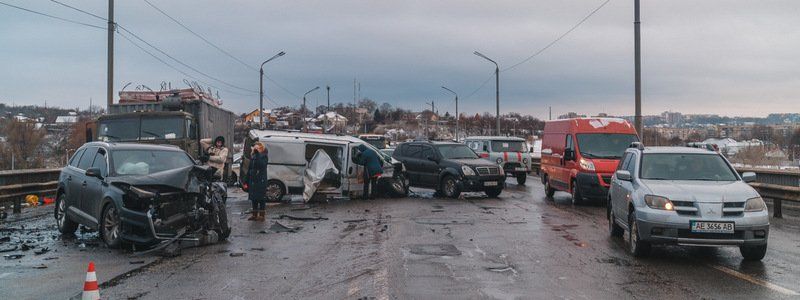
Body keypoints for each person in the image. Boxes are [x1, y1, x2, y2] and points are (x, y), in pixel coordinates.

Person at [246, 142, 269, 221]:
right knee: (254, 198)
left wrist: (258, 154)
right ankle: (254, 215)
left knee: (261, 198)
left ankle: (262, 216)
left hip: (260, 180)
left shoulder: (264, 156)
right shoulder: (253, 157)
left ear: (261, 149)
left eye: (258, 148)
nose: (256, 150)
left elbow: (261, 165)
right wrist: (246, 181)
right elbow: (249, 169)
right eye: (256, 148)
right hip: (253, 180)